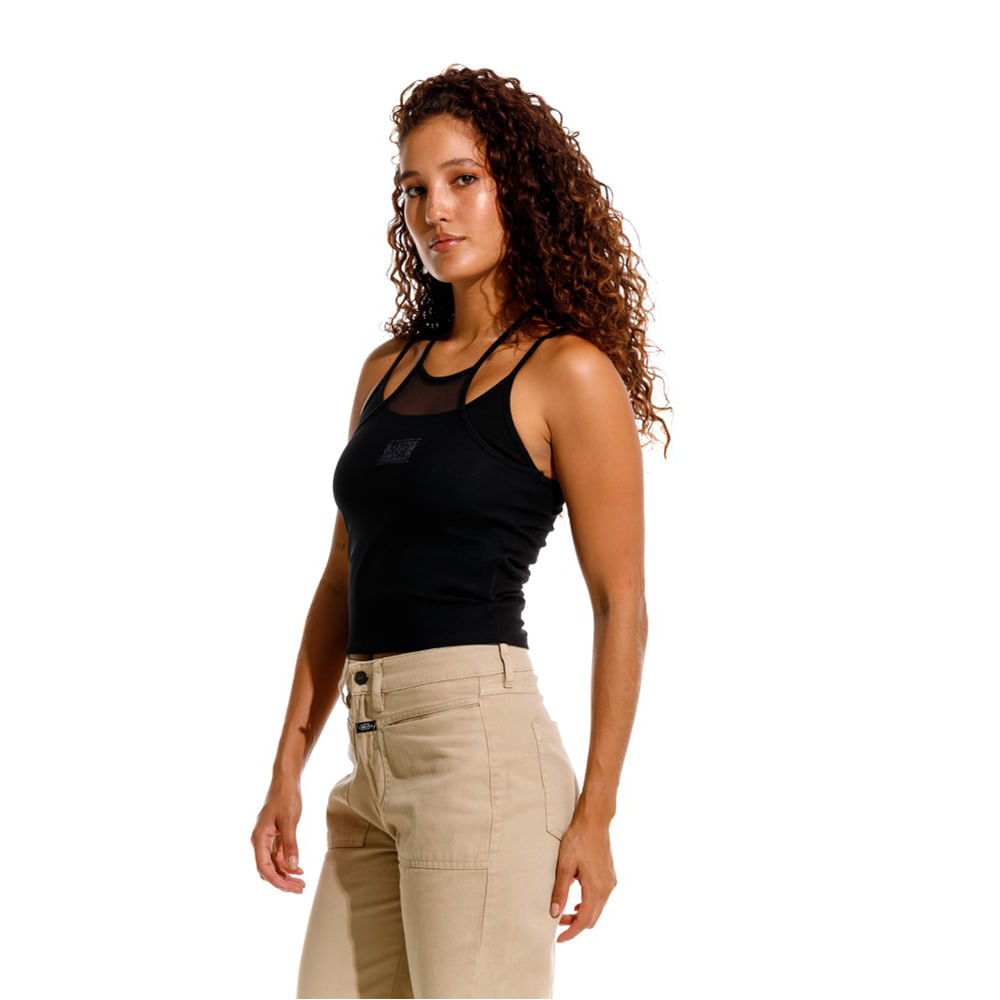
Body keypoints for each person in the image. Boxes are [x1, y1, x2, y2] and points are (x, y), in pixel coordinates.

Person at [251, 65, 671, 999]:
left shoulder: (568, 374)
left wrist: (598, 811)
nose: (434, 209)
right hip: (368, 758)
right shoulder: (386, 372)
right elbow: (342, 578)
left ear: (519, 189)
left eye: (462, 179)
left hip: (478, 755)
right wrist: (288, 767)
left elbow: (622, 602)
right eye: (413, 188)